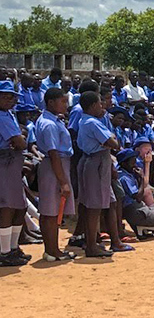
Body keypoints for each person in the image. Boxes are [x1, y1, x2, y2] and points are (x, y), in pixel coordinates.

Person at [75, 91, 130, 258]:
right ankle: (91, 245)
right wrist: (111, 139)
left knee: (111, 202)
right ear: (93, 106)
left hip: (98, 161)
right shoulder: (92, 122)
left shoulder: (87, 120)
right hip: (96, 162)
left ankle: (115, 241)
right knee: (94, 206)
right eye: (100, 103)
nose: (103, 106)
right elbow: (114, 143)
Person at [34, 87, 77, 262]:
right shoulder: (49, 124)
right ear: (51, 102)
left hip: (56, 165)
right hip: (55, 166)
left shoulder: (51, 120)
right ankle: (53, 251)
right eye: (62, 101)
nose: (66, 105)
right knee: (51, 212)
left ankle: (51, 249)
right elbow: (54, 153)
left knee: (50, 211)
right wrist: (63, 182)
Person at [0, 80, 31, 266]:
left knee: (20, 206)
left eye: (11, 97)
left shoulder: (8, 114)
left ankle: (12, 248)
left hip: (12, 162)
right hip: (5, 162)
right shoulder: (2, 117)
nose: (9, 100)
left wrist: (21, 139)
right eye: (5, 97)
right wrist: (21, 140)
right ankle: (4, 252)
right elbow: (19, 142)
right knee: (7, 207)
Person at [115, 149, 154, 236]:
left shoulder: (130, 173)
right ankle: (144, 228)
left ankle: (144, 227)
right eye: (132, 160)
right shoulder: (123, 177)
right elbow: (138, 197)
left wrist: (139, 177)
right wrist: (142, 178)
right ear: (124, 164)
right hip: (135, 211)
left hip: (141, 207)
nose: (135, 162)